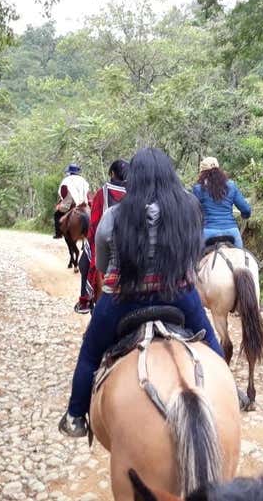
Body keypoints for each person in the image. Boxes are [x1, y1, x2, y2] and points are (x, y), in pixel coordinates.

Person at [59, 147, 226, 437]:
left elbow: (100, 262)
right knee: (211, 341)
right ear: (170, 176)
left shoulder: (115, 215)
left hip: (122, 299)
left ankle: (75, 416)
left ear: (132, 179)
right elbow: (194, 253)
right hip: (179, 295)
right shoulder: (188, 209)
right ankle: (231, 393)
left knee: (90, 351)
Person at [78, 159, 129, 313]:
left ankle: (85, 300)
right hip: (131, 241)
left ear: (112, 173)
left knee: (84, 264)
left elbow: (94, 223)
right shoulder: (135, 192)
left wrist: (90, 242)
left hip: (107, 238)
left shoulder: (102, 192)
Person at [192, 156, 251, 248]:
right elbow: (246, 210)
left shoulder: (198, 189)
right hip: (231, 231)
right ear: (219, 170)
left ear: (202, 173)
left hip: (208, 231)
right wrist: (245, 215)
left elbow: (194, 214)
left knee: (195, 260)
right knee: (242, 258)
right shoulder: (231, 186)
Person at [53, 162, 90, 239]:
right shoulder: (83, 180)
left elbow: (62, 192)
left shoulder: (66, 180)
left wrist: (63, 201)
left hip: (70, 204)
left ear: (69, 172)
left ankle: (58, 233)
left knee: (56, 214)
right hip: (83, 204)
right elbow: (87, 192)